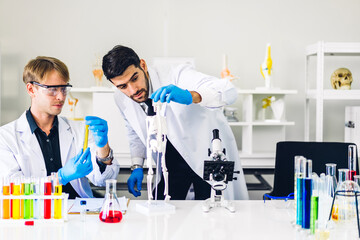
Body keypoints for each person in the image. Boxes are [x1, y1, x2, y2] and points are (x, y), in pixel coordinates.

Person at [102, 45, 249, 200]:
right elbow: (135, 131)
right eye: (123, 86)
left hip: (206, 156)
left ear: (143, 66)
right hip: (171, 162)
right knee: (163, 213)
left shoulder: (177, 75)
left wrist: (191, 95)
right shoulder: (121, 98)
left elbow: (229, 91)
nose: (132, 90)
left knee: (213, 213)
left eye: (134, 79)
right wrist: (137, 165)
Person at [0, 56, 119, 198]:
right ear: (31, 89)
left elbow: (103, 181)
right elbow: (12, 187)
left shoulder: (79, 130)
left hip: (78, 213)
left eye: (63, 89)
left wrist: (103, 149)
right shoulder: (6, 137)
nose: (61, 97)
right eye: (52, 89)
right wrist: (60, 178)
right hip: (35, 214)